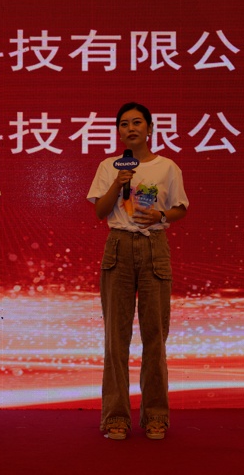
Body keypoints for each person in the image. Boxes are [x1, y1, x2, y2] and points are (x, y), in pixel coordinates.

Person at [86, 102, 188, 441]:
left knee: (155, 335)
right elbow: (100, 210)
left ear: (150, 128)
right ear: (118, 131)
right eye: (124, 124)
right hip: (118, 246)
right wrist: (118, 183)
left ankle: (155, 415)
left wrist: (161, 216)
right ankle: (115, 416)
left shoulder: (167, 167)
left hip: (154, 246)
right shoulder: (109, 166)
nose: (130, 129)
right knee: (116, 337)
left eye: (137, 123)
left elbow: (180, 208)